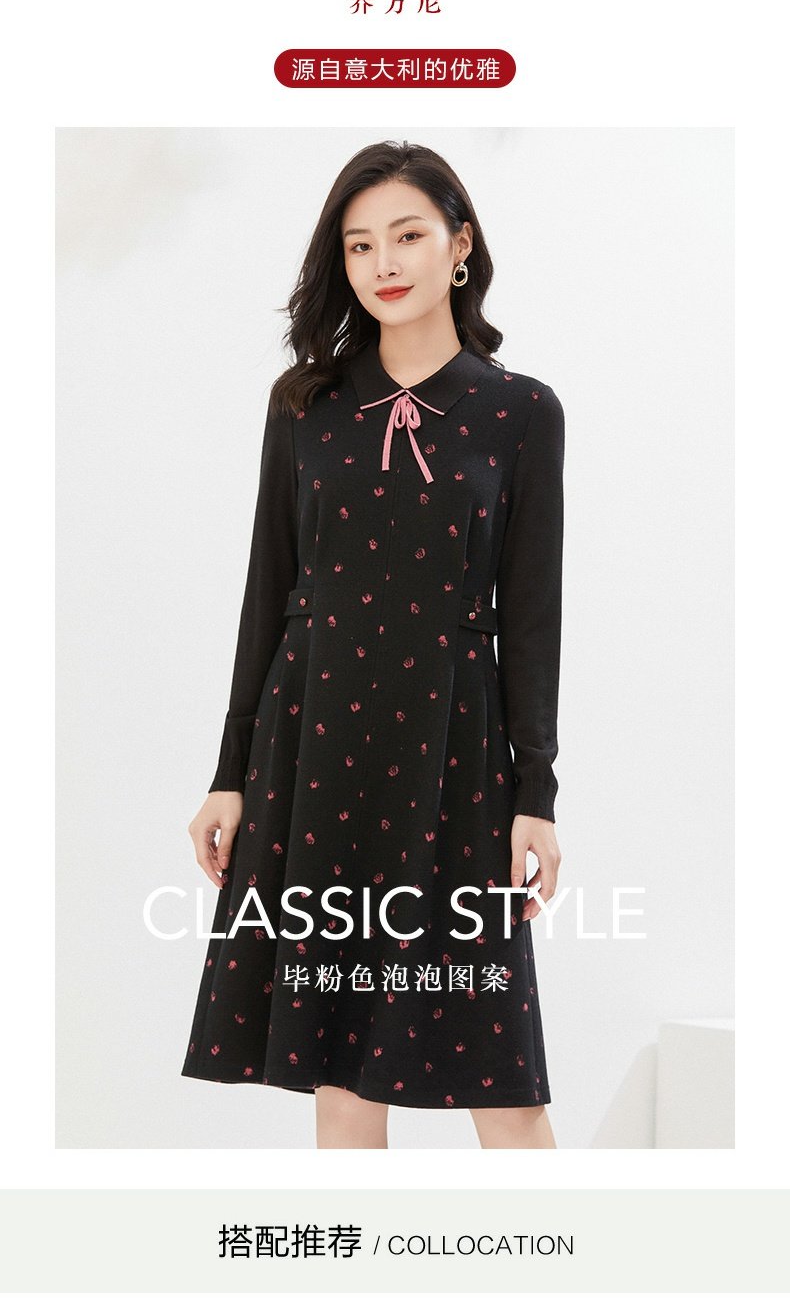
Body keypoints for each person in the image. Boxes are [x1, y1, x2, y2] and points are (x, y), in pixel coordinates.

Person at [181, 140, 565, 1150]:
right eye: (358, 245)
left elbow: (531, 615)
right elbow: (267, 595)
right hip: (315, 746)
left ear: (459, 246)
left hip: (454, 755)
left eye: (406, 235)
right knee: (340, 1073)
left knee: (504, 1086)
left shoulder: (520, 410)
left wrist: (535, 791)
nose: (383, 263)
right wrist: (229, 774)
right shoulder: (305, 405)